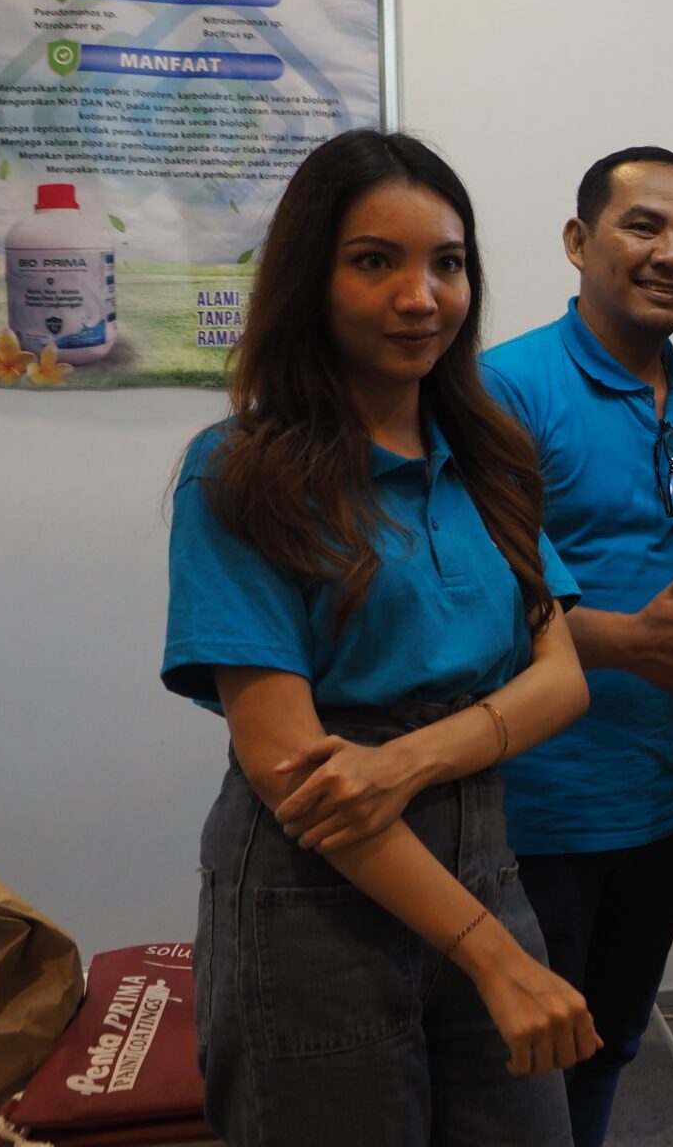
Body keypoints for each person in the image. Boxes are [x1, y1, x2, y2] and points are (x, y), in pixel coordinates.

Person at [161, 129, 600, 1145]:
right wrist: (495, 956)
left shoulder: (490, 457)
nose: (421, 297)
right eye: (375, 262)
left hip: (480, 853)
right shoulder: (240, 471)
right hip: (311, 896)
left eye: (448, 263)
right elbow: (295, 769)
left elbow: (563, 679)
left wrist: (405, 761)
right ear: (308, 279)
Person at [480, 147, 673, 1147]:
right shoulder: (505, 387)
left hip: (662, 796)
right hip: (533, 808)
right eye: (645, 226)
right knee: (514, 1074)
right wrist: (627, 643)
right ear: (578, 240)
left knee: (610, 1046)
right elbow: (482, 593)